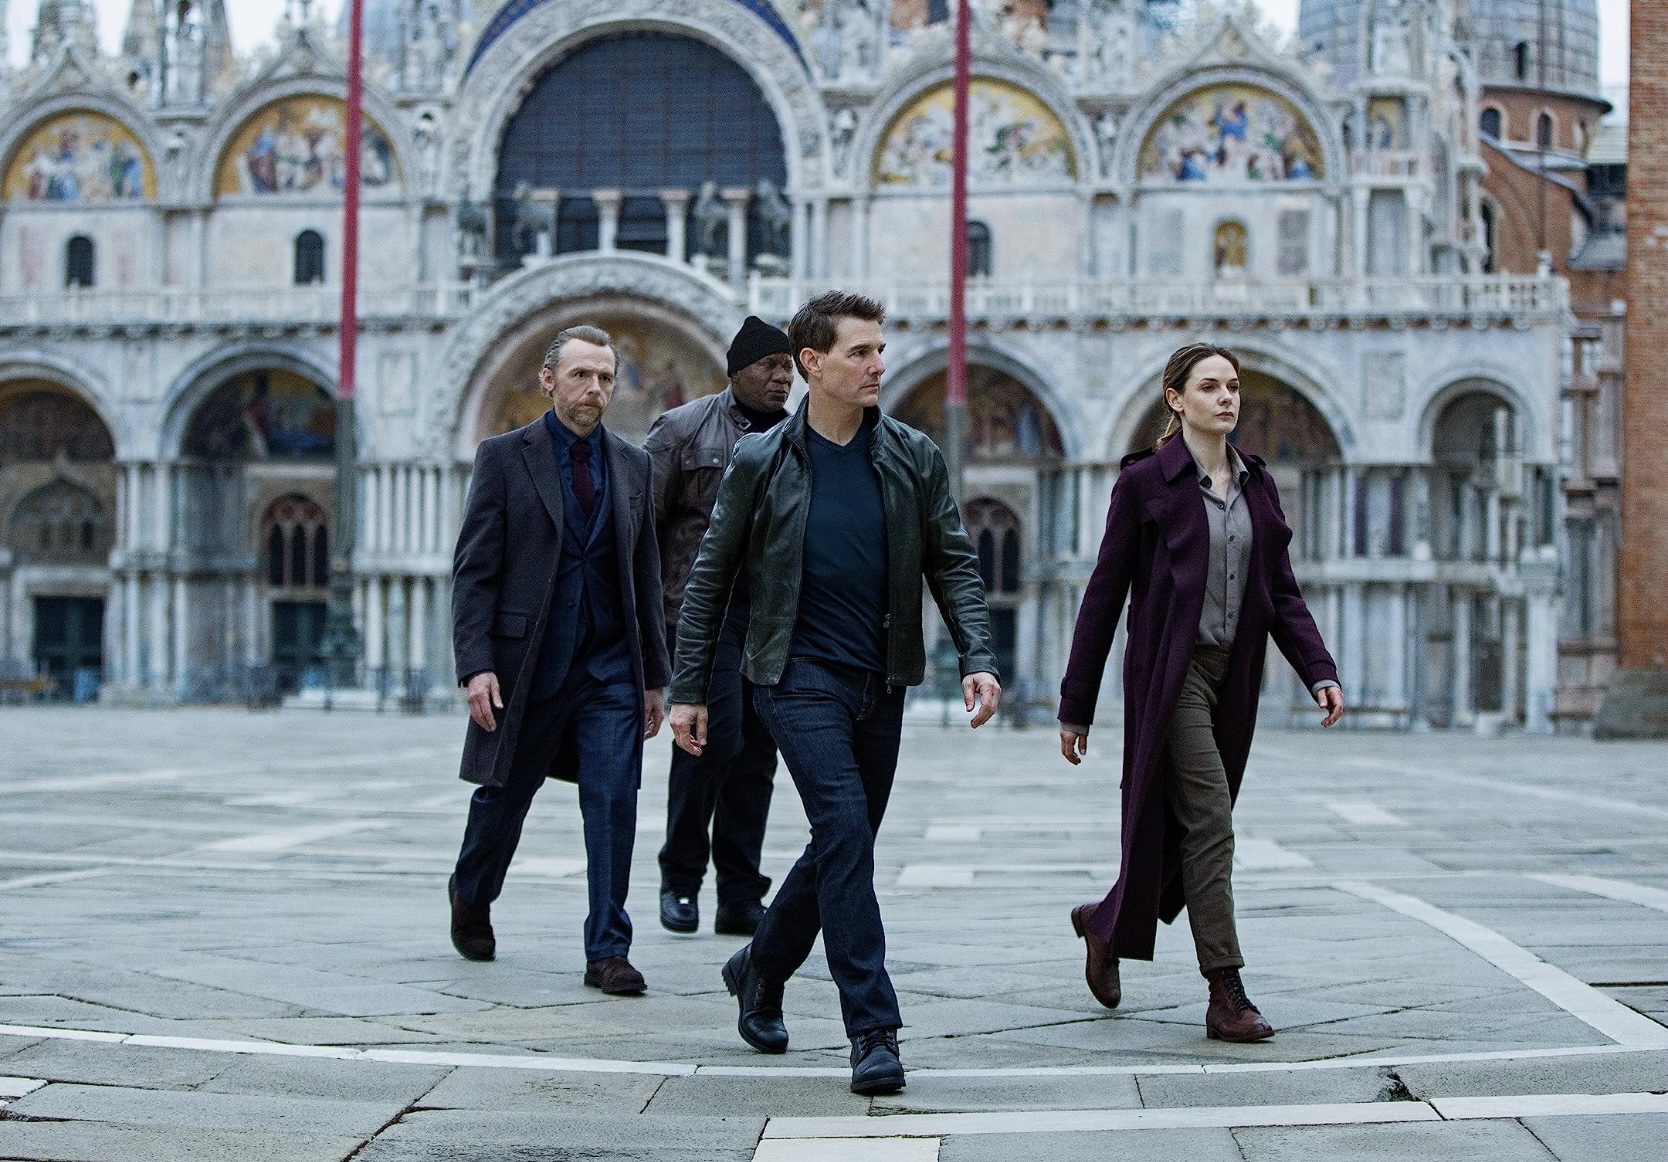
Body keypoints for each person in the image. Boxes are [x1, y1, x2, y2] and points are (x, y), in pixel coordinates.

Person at [668, 292, 1001, 1095]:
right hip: (792, 675)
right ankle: (873, 1031)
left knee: (843, 843)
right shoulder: (761, 460)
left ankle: (760, 966)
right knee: (845, 827)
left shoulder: (914, 455)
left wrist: (977, 655)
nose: (879, 364)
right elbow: (711, 577)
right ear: (812, 364)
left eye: (880, 349)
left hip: (881, 679)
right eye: (861, 352)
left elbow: (952, 560)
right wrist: (689, 688)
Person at [1057, 343, 1344, 1042]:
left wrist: (1319, 668)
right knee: (1211, 819)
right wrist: (1077, 704)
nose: (1226, 398)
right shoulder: (1144, 483)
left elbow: (1281, 591)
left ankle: (1104, 923)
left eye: (1233, 387)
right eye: (1210, 386)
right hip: (1170, 675)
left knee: (1189, 823)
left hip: (1234, 676)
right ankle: (1225, 990)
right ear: (1176, 399)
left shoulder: (1258, 486)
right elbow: (1104, 593)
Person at [447, 325, 670, 996]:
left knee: (613, 802)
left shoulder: (634, 465)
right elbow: (474, 572)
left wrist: (655, 677)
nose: (595, 388)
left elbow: (646, 574)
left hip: (610, 669)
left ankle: (608, 950)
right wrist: (476, 664)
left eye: (605, 377)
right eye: (581, 375)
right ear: (549, 381)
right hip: (527, 666)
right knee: (503, 798)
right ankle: (471, 892)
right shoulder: (503, 457)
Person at [646, 317, 794, 937]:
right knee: (712, 740)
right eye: (769, 367)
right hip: (700, 613)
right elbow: (644, 529)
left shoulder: (800, 437)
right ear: (736, 371)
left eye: (788, 367)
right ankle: (680, 877)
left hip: (772, 617)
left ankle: (740, 893)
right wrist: (649, 623)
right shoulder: (682, 428)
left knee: (758, 753)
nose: (782, 378)